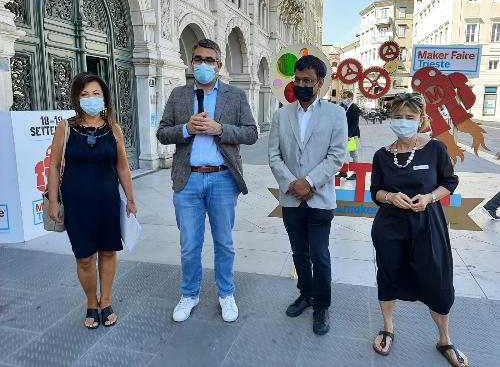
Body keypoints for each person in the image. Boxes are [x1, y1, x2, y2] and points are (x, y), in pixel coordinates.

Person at [156, 39, 258, 323]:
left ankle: (226, 293)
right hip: (188, 181)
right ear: (191, 63)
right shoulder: (178, 95)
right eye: (198, 59)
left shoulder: (235, 96)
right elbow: (162, 133)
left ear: (219, 65)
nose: (203, 65)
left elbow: (251, 133)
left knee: (224, 243)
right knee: (189, 244)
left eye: (209, 60)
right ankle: (190, 294)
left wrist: (220, 128)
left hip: (222, 179)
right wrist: (186, 129)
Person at [370, 93, 469, 367]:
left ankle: (444, 339)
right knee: (388, 275)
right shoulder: (382, 155)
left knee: (437, 279)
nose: (403, 123)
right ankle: (388, 327)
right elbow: (374, 191)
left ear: (422, 120)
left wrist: (428, 198)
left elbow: (449, 182)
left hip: (427, 225)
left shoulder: (435, 149)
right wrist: (390, 197)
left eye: (410, 118)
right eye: (398, 118)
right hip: (390, 226)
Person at [48, 72, 137, 329]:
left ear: (104, 97)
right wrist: (54, 201)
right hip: (77, 204)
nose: (90, 98)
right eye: (85, 94)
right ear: (77, 97)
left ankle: (106, 300)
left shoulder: (114, 129)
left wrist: (130, 198)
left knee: (108, 251)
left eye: (96, 93)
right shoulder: (66, 127)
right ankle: (91, 302)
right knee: (84, 257)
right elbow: (54, 166)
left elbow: (122, 168)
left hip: (107, 201)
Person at [268, 55, 347, 335]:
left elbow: (337, 156)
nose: (301, 85)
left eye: (307, 81)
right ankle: (305, 294)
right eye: (297, 80)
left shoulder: (336, 114)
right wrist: (293, 184)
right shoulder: (281, 115)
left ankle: (322, 305)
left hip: (320, 198)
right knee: (299, 253)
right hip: (291, 199)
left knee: (320, 254)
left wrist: (309, 182)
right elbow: (274, 155)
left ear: (320, 83)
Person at [338, 90, 361, 180]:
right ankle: (343, 172)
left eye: (345, 97)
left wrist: (348, 135)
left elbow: (355, 123)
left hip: (351, 135)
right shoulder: (344, 107)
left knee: (353, 154)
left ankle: (356, 173)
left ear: (351, 98)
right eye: (342, 97)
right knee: (343, 154)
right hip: (346, 135)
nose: (343, 99)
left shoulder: (354, 107)